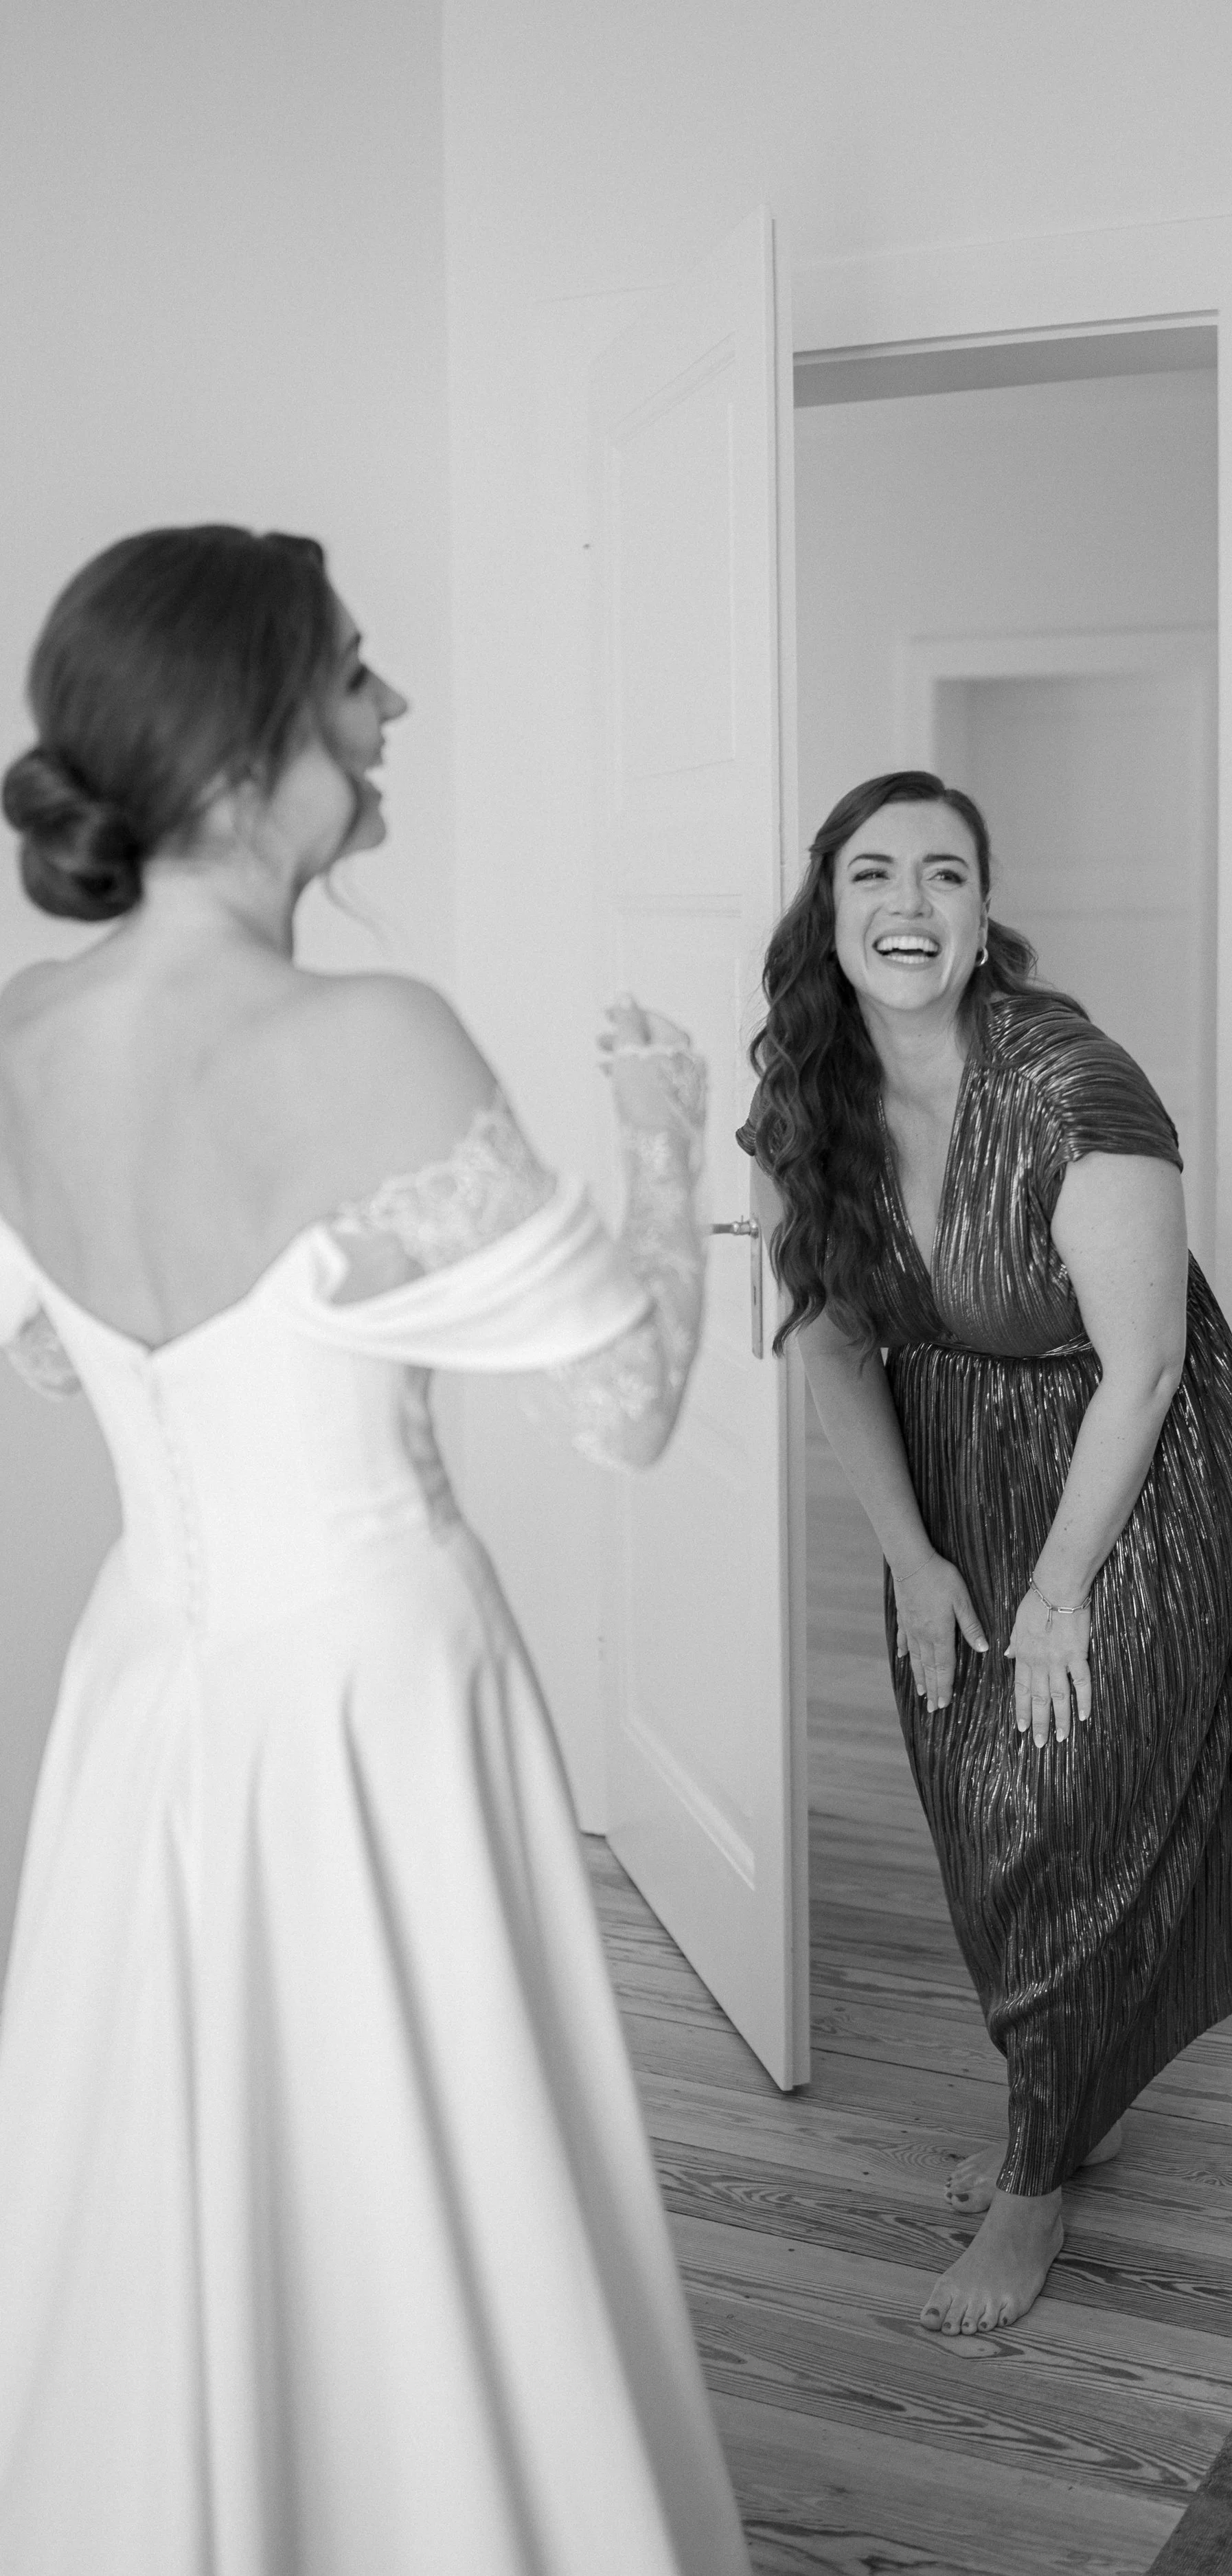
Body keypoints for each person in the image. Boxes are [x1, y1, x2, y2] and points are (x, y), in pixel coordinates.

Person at [0, 526, 751, 2574]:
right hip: (368, 1678)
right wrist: (669, 1133)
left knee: (179, 2149)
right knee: (426, 2145)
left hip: (152, 1673)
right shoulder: (372, 1038)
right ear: (246, 746)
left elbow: (59, 1360)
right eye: (352, 676)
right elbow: (624, 1404)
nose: (390, 706)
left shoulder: (22, 1031)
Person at [742, 770, 1232, 2337]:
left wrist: (1057, 1593)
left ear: (982, 919)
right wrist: (909, 1557)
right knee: (976, 1808)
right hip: (946, 1461)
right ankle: (1064, 2094)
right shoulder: (800, 1101)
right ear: (827, 914)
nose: (910, 907)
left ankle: (1036, 2181)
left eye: (945, 878)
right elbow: (832, 1354)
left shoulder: (1071, 1087)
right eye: (874, 878)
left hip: (1128, 1469)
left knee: (1064, 1807)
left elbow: (1147, 1368)